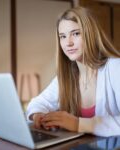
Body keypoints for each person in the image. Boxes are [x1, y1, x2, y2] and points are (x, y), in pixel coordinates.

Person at [26, 6, 120, 137]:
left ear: (90, 34)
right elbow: (36, 103)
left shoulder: (115, 67)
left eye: (75, 34)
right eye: (62, 36)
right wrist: (38, 116)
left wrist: (78, 124)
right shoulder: (66, 77)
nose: (68, 43)